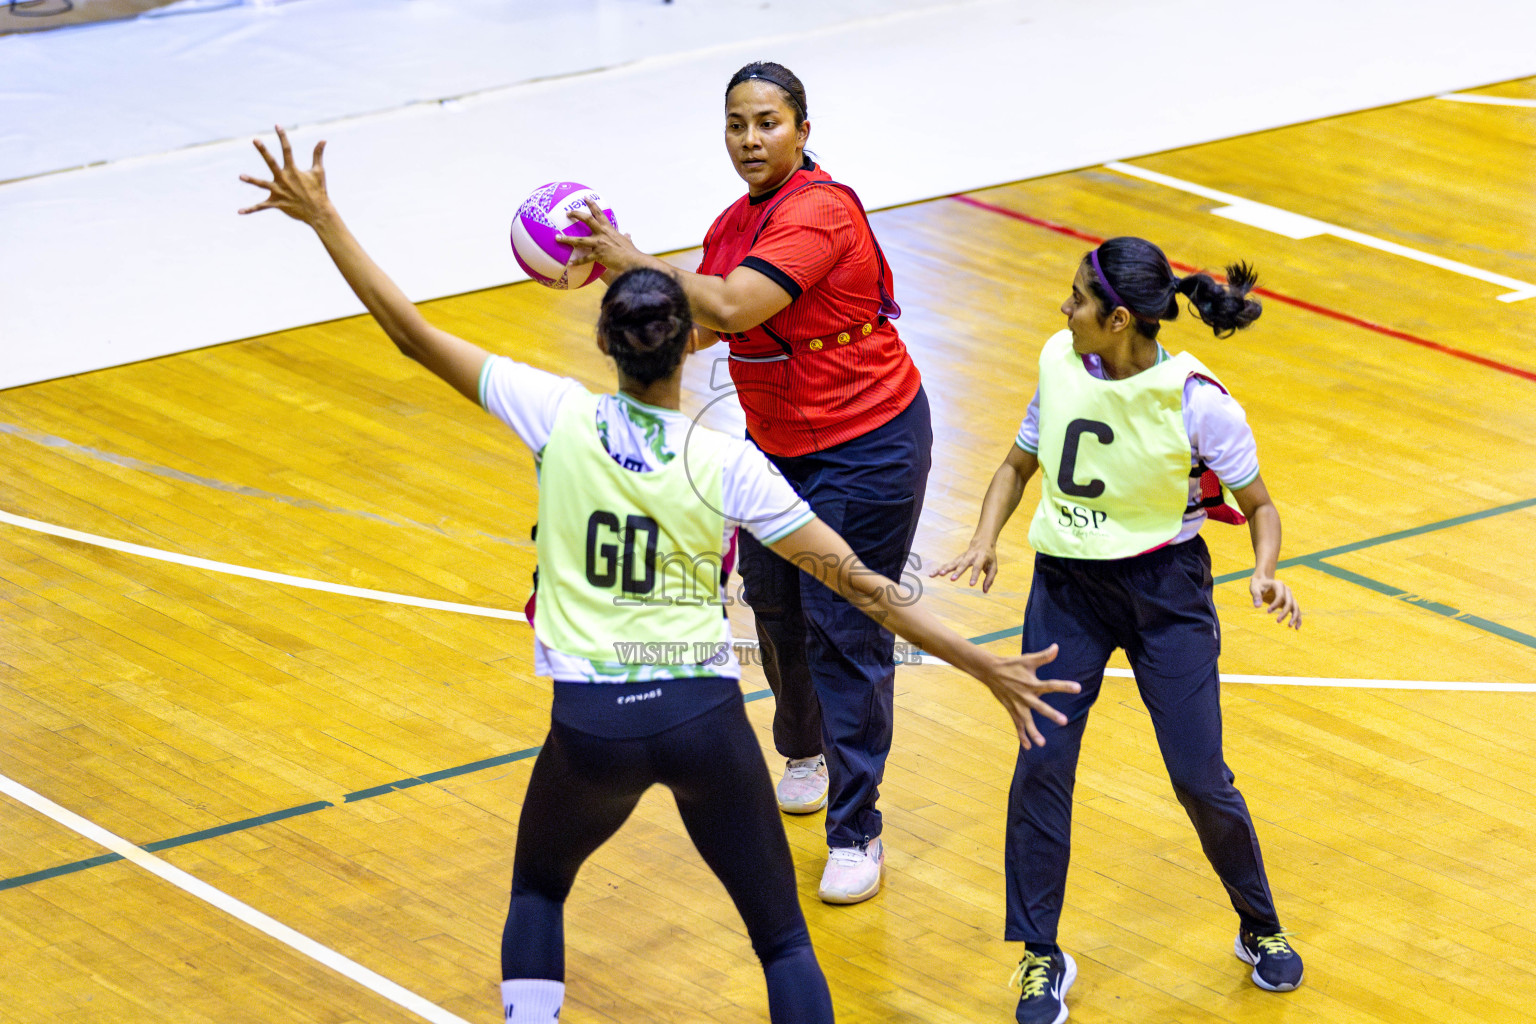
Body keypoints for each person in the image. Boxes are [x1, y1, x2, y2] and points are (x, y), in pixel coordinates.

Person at [238, 126, 1079, 1024]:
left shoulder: (555, 415)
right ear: (690, 350)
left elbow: (410, 334)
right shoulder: (729, 464)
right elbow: (866, 588)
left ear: (605, 341)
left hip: (591, 724)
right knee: (785, 941)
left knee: (539, 893)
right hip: (702, 723)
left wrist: (324, 217)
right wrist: (980, 662)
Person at [560, 60, 929, 906]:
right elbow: (698, 327)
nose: (750, 139)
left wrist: (630, 259)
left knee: (847, 625)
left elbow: (729, 309)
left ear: (803, 129)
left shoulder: (820, 211)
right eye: (736, 124)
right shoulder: (734, 224)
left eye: (767, 122)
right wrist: (626, 316)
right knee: (773, 604)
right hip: (780, 446)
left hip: (868, 443)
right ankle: (802, 750)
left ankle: (858, 828)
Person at [932, 237, 1305, 1024]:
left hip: (1166, 595)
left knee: (1200, 777)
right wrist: (982, 536)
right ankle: (1041, 953)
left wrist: (1265, 570)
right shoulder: (1058, 361)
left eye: (1076, 300)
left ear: (1120, 318)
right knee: (1042, 768)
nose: (1063, 309)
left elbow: (1261, 505)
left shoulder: (1199, 399)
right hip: (1067, 590)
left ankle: (1259, 924)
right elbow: (1015, 465)